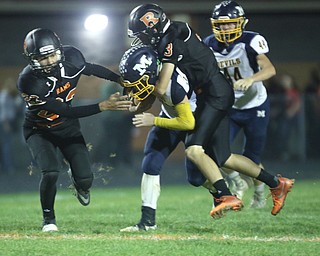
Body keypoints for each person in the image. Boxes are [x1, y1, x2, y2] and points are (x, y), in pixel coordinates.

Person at [126, 3, 294, 220]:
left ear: (154, 27)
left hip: (212, 95)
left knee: (194, 150)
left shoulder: (170, 39)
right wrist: (137, 101)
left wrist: (147, 105)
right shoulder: (172, 32)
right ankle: (277, 183)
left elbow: (160, 87)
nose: (141, 39)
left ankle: (225, 195)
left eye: (142, 33)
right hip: (213, 93)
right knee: (224, 157)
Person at [16, 28, 132, 232]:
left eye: (53, 55)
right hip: (39, 130)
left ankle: (77, 180)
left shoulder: (72, 58)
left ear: (60, 51)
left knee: (86, 180)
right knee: (51, 171)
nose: (50, 61)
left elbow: (92, 68)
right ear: (32, 59)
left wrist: (118, 79)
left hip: (67, 128)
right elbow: (64, 110)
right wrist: (102, 106)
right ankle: (49, 220)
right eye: (43, 58)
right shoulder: (29, 81)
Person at [118, 44, 220, 231]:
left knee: (196, 179)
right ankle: (148, 221)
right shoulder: (158, 76)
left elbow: (187, 122)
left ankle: (218, 192)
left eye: (136, 82)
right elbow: (150, 94)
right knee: (151, 162)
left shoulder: (173, 86)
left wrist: (154, 120)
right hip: (171, 115)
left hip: (193, 120)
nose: (133, 89)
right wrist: (137, 107)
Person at [203, 0, 276, 208]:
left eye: (230, 23)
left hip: (255, 106)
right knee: (216, 150)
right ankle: (237, 182)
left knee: (251, 158)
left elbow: (270, 69)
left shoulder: (252, 40)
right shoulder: (208, 44)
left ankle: (260, 190)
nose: (225, 28)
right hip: (229, 107)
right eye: (221, 24)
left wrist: (251, 79)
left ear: (241, 23)